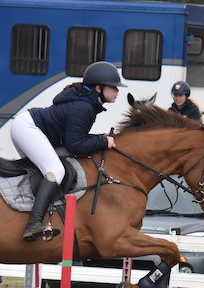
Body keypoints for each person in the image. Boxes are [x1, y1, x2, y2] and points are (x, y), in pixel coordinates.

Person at [10, 61, 124, 241]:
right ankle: (34, 223)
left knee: (46, 172)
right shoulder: (84, 107)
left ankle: (30, 216)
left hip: (27, 126)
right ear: (98, 88)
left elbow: (75, 137)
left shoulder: (86, 104)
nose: (117, 91)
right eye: (114, 87)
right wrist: (102, 140)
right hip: (28, 128)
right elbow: (75, 146)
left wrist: (99, 137)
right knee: (56, 171)